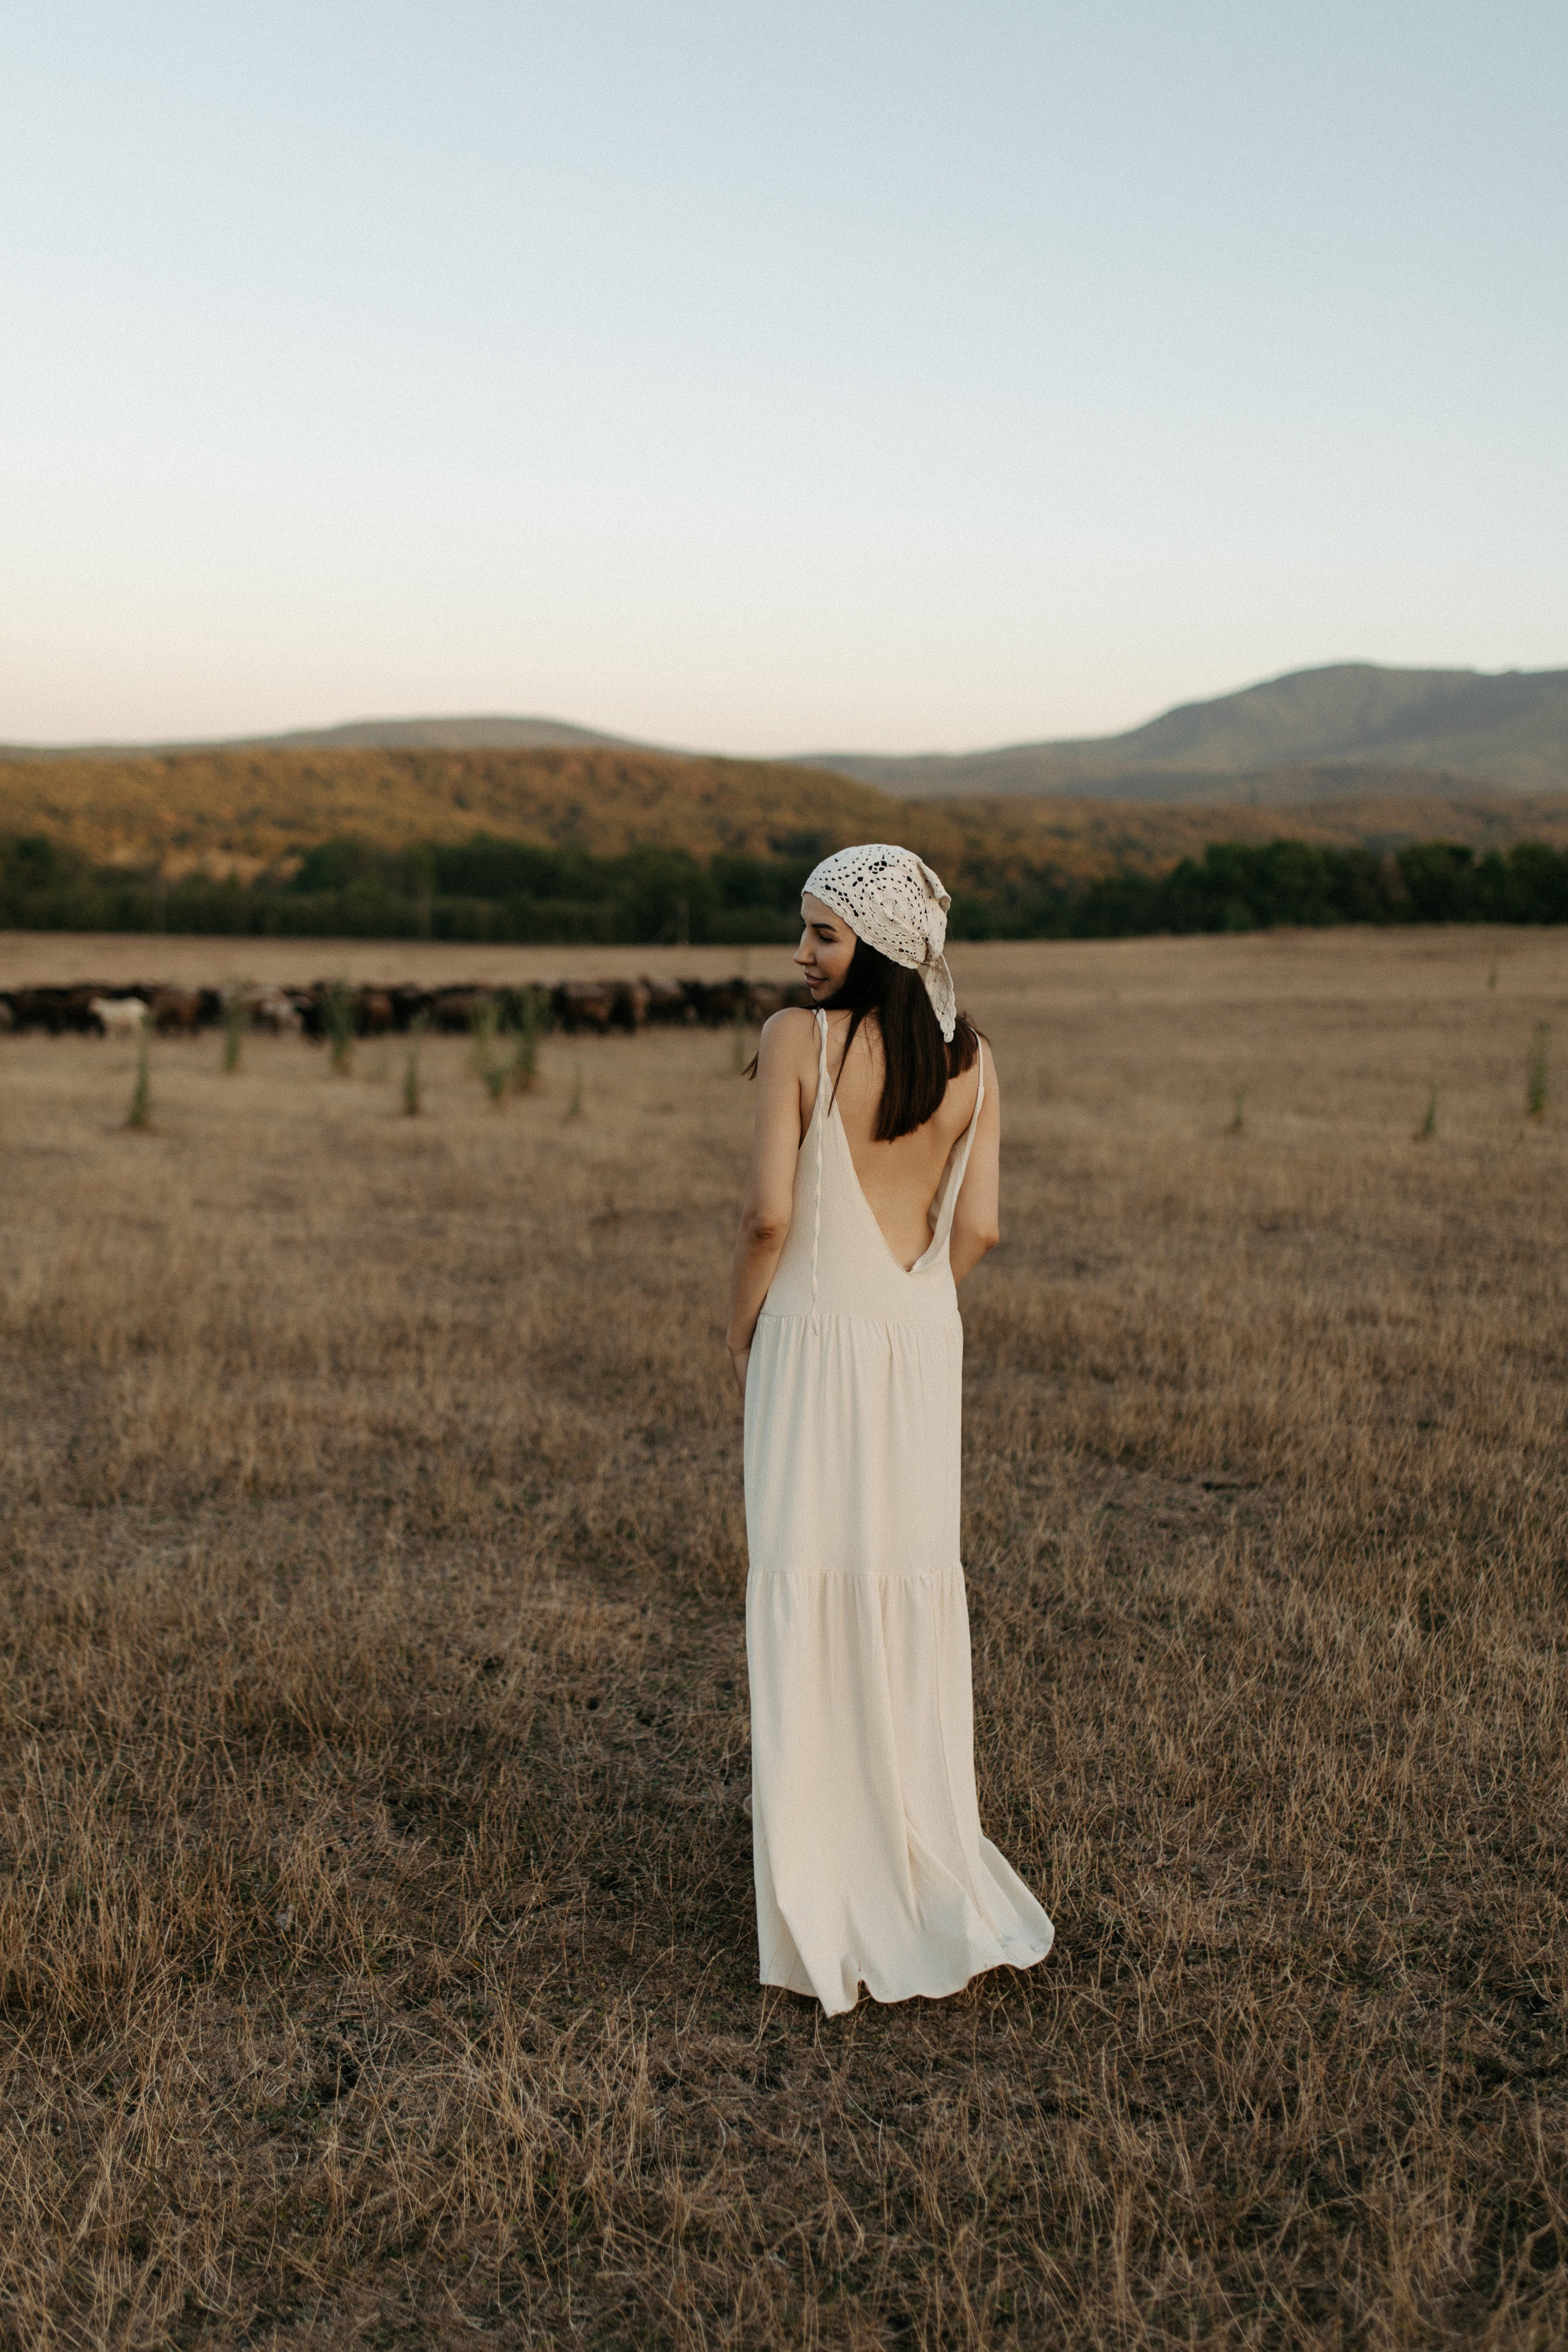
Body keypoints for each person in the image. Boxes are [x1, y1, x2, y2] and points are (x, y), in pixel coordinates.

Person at [726, 842, 1054, 2015]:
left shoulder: (793, 1044)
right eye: (803, 932)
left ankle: (825, 1865)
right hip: (920, 1345)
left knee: (806, 1577)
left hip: (814, 1345)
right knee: (901, 1581)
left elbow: (770, 1214)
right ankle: (911, 1845)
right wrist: (913, 1301)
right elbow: (984, 1231)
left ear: (882, 942)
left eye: (822, 934)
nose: (800, 955)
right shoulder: (974, 1062)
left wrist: (741, 1329)